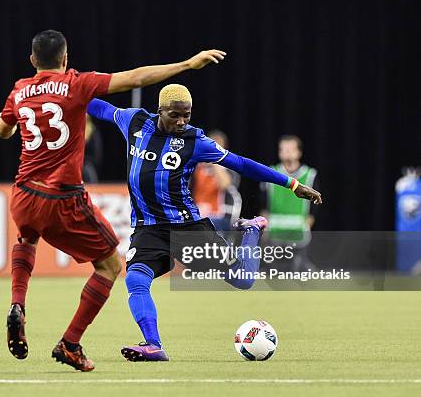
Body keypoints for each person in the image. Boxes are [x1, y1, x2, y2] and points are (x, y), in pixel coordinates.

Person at [0, 29, 226, 372]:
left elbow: (2, 130)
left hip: (24, 193)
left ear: (32, 61)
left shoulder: (19, 89)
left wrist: (8, 125)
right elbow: (135, 77)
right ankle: (70, 343)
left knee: (27, 237)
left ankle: (17, 303)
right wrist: (187, 64)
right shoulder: (77, 83)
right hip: (63, 196)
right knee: (110, 266)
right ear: (66, 57)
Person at [87, 84, 322, 361]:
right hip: (148, 228)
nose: (182, 121)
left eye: (186, 115)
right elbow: (100, 108)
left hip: (187, 228)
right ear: (160, 110)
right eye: (175, 115)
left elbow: (242, 164)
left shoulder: (194, 141)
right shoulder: (135, 121)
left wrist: (292, 183)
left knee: (243, 280)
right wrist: (69, 93)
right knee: (136, 280)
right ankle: (153, 344)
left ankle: (251, 230)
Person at [260, 135, 319, 271]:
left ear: (299, 152)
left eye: (290, 149)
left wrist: (306, 225)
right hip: (274, 232)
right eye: (283, 149)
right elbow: (263, 204)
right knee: (273, 273)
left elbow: (314, 209)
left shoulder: (310, 175)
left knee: (299, 271)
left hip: (298, 234)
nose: (287, 153)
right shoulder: (270, 172)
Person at [191, 130, 242, 231]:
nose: (212, 149)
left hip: (219, 217)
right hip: (198, 214)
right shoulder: (196, 168)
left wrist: (215, 161)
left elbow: (225, 185)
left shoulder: (230, 170)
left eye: (217, 146)